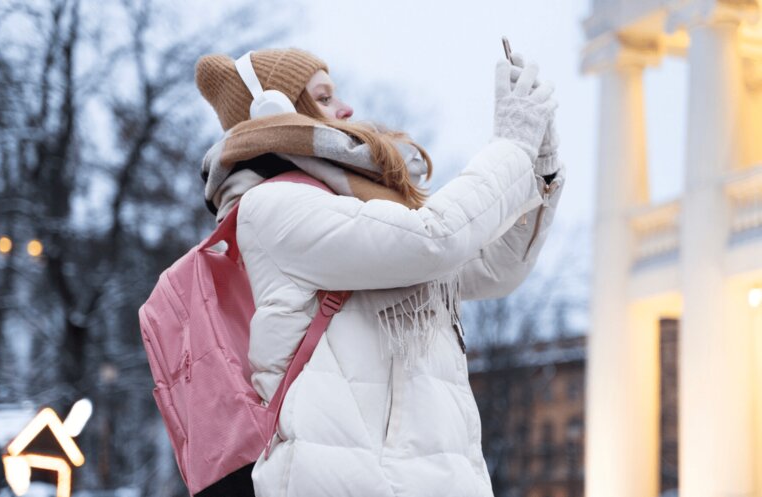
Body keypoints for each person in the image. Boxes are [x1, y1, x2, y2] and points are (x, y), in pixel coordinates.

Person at [194, 47, 565, 497]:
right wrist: (511, 147)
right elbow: (434, 239)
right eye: (324, 97)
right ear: (273, 111)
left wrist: (539, 166)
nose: (347, 108)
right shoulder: (272, 205)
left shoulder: (358, 206)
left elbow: (493, 268)